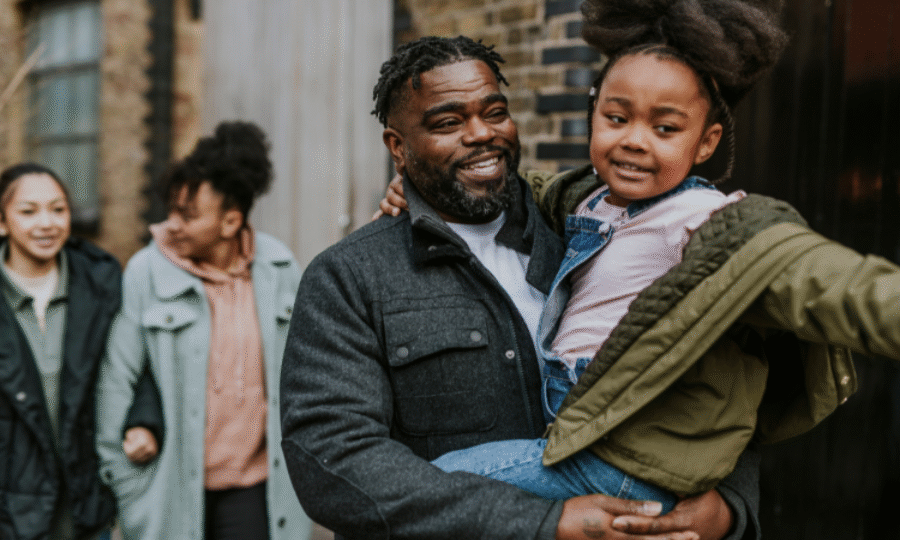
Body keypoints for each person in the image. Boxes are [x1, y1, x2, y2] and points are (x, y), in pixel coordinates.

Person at [375, 0, 900, 521]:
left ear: (706, 142)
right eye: (616, 117)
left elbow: (827, 281)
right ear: (593, 111)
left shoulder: (704, 221)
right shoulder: (590, 198)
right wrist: (421, 187)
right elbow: (524, 191)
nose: (633, 141)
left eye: (665, 128)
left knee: (437, 484)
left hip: (622, 457)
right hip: (581, 425)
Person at [281, 35, 761, 540]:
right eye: (448, 122)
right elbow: (335, 462)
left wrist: (728, 508)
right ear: (398, 148)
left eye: (495, 112)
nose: (481, 134)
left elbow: (725, 376)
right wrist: (545, 523)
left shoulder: (585, 238)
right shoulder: (350, 276)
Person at [94, 122, 312, 540]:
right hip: (170, 488)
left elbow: (305, 375)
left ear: (230, 222)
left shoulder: (279, 267)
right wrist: (127, 484)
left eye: (188, 215)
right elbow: (116, 382)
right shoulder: (147, 272)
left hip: (255, 488)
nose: (172, 224)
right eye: (172, 210)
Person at [0, 163, 160, 540]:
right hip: (10, 506)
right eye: (28, 211)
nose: (47, 223)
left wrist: (144, 421)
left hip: (87, 497)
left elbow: (137, 362)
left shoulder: (101, 282)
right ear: (3, 222)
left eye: (58, 209)